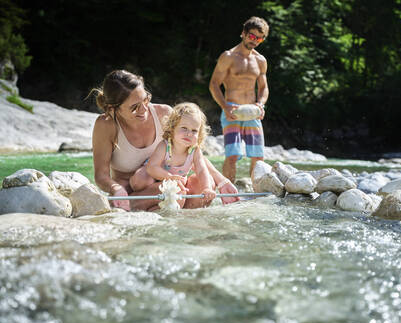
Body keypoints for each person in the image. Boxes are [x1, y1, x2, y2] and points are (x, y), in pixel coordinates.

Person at [91, 70, 239, 211]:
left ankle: (182, 225)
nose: (144, 109)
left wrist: (222, 181)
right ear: (112, 108)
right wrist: (116, 188)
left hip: (170, 183)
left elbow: (191, 152)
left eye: (146, 99)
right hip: (131, 195)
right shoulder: (106, 125)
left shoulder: (164, 113)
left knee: (205, 185)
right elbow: (101, 176)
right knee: (174, 193)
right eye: (135, 107)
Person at [209, 16, 269, 183]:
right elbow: (214, 84)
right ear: (243, 33)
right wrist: (225, 106)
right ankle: (227, 195)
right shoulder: (228, 56)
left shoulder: (260, 60)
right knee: (233, 155)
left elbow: (264, 87)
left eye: (259, 38)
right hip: (232, 111)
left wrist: (261, 105)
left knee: (258, 157)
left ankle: (256, 195)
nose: (254, 41)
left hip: (252, 112)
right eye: (251, 36)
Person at [136, 102, 216, 210]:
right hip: (156, 179)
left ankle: (182, 209)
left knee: (206, 181)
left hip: (176, 183)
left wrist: (207, 188)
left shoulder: (194, 150)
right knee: (141, 178)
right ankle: (138, 201)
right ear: (172, 128)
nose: (189, 133)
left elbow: (202, 170)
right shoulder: (165, 146)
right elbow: (152, 167)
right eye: (184, 128)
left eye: (194, 131)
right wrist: (169, 177)